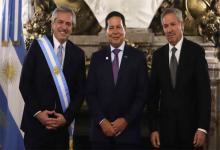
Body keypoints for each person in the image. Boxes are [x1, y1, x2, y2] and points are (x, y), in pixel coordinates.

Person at [19, 6, 86, 149]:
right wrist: (38, 114)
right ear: (52, 24)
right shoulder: (38, 46)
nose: (64, 27)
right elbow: (25, 83)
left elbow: (80, 93)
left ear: (72, 27)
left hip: (61, 130)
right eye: (60, 22)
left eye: (68, 24)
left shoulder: (78, 54)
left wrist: (66, 118)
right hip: (36, 127)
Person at [149, 8, 211, 149]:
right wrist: (153, 128)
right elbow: (152, 97)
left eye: (173, 24)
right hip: (165, 134)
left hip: (192, 132)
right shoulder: (158, 56)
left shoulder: (196, 52)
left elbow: (204, 93)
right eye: (165, 26)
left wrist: (202, 128)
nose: (169, 30)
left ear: (181, 25)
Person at [86, 11, 149, 150]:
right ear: (106, 31)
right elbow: (90, 93)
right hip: (100, 134)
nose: (115, 31)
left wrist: (126, 120)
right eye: (111, 27)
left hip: (128, 135)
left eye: (118, 27)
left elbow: (142, 94)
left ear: (125, 30)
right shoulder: (97, 58)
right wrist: (102, 121)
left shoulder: (138, 58)